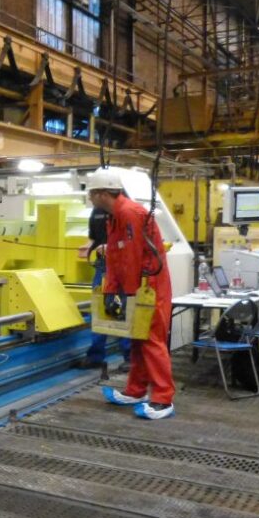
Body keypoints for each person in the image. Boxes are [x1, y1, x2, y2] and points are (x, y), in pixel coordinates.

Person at [86, 168, 176, 420]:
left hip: (149, 287)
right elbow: (118, 258)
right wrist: (112, 292)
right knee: (137, 339)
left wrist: (128, 293)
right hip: (134, 288)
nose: (91, 199)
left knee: (151, 341)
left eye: (92, 193)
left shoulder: (130, 214)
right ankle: (136, 390)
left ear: (102, 193)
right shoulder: (114, 217)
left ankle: (163, 398)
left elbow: (136, 258)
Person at [78, 205, 131, 373]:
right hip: (102, 266)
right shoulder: (97, 211)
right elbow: (95, 237)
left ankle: (130, 358)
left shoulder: (125, 211)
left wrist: (112, 247)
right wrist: (89, 245)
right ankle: (95, 357)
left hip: (121, 267)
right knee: (99, 311)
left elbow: (133, 240)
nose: (91, 197)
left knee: (120, 310)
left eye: (94, 193)